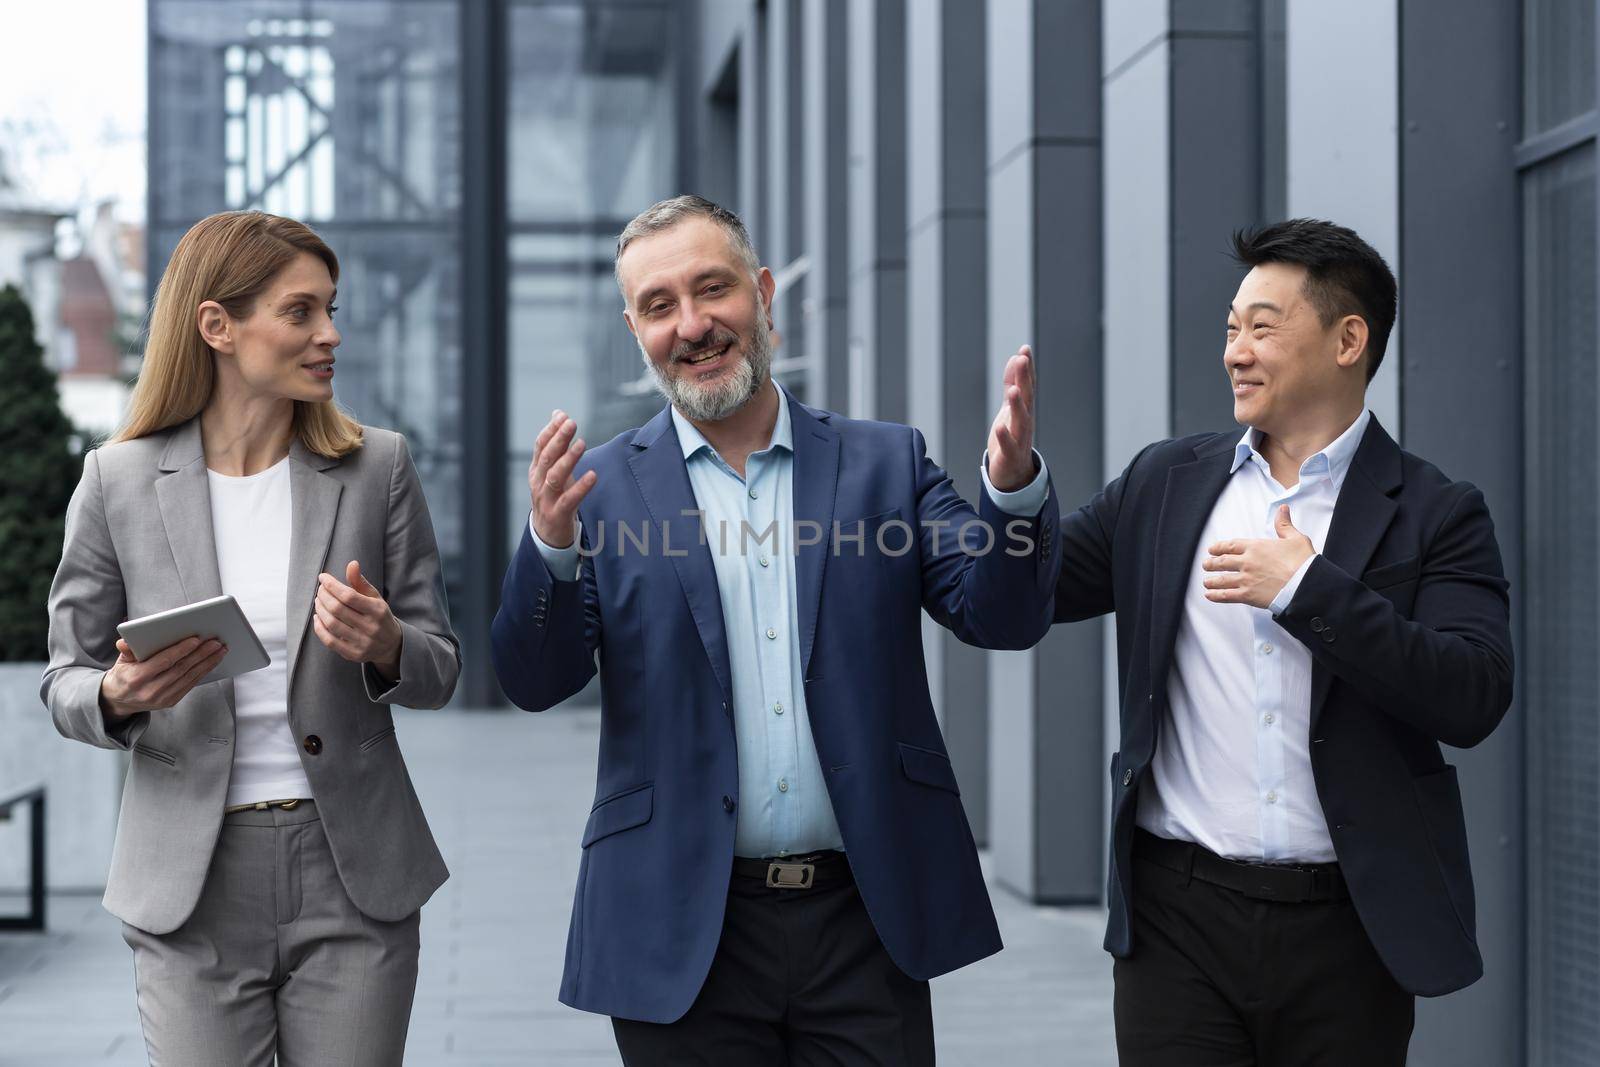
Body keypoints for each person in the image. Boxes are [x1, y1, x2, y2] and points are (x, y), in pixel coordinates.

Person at [491, 194, 1061, 1064]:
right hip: (680, 922)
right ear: (635, 328)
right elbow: (534, 681)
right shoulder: (595, 489)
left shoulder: (884, 462)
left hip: (864, 917)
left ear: (761, 295)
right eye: (658, 305)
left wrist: (1012, 488)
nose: (692, 324)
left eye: (712, 289)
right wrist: (551, 548)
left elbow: (1002, 613)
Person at [1052, 218, 1514, 1064]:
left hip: (1352, 930)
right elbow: (1033, 585)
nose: (1235, 350)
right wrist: (1013, 492)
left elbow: (1474, 692)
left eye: (1263, 326)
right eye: (1232, 328)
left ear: (1348, 340)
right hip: (1177, 920)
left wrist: (1308, 590)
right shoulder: (1166, 482)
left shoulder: (1438, 510)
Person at [42, 210, 460, 1065]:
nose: (330, 333)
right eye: (301, 311)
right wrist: (120, 695)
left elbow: (440, 667)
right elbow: (63, 681)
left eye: (331, 309)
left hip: (353, 874)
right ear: (217, 325)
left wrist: (385, 643)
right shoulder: (116, 479)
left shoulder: (377, 467)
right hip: (188, 885)